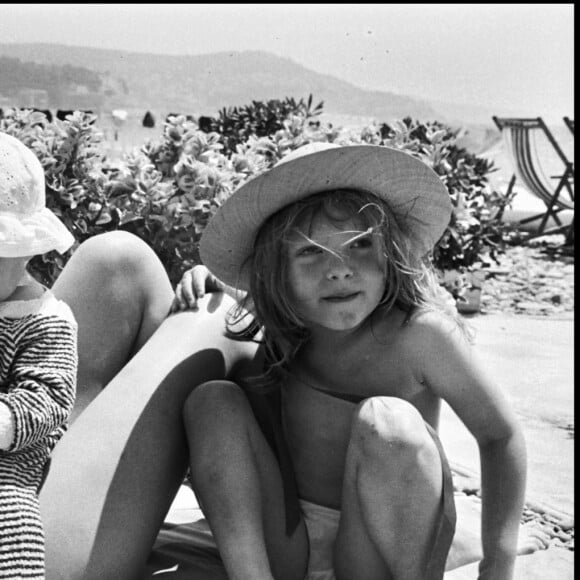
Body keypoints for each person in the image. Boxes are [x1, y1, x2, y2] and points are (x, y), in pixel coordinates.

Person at [173, 142, 528, 580]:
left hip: (382, 544)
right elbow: (240, 296)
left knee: (388, 420)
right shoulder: (287, 321)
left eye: (360, 244)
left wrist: (499, 561)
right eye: (310, 252)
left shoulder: (420, 335)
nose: (339, 269)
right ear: (274, 271)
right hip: (289, 541)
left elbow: (500, 435)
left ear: (391, 252)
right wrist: (210, 281)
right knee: (212, 401)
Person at [0, 133, 77, 579]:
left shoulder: (43, 320)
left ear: (26, 250)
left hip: (9, 468)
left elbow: (46, 401)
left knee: (9, 520)